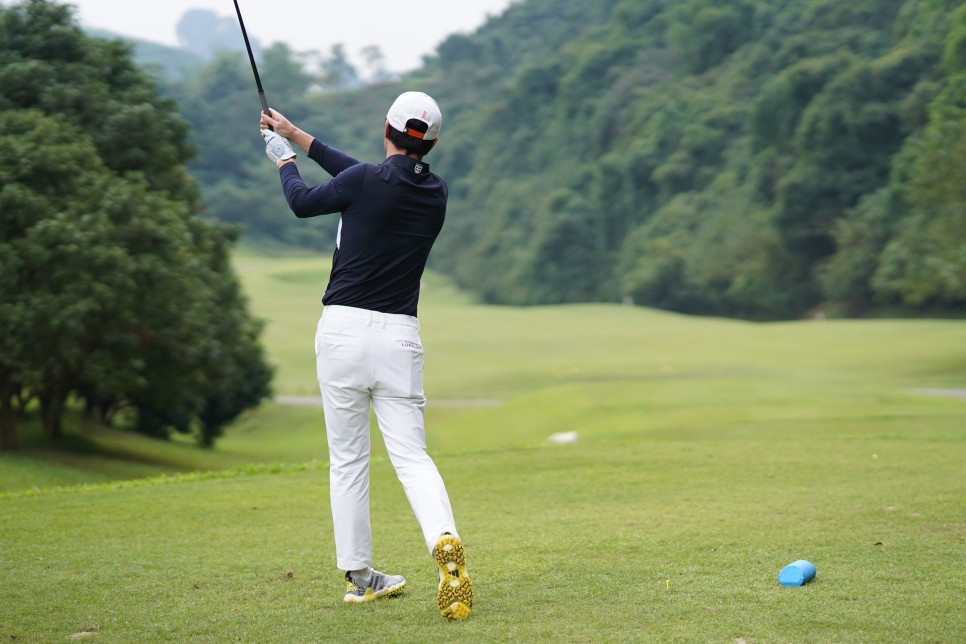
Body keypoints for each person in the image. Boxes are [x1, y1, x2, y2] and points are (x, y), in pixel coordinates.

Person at [258, 92, 472, 620]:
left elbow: (304, 202)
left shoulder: (363, 183)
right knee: (412, 457)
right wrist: (295, 132)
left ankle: (360, 578)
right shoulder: (436, 193)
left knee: (349, 460)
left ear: (387, 128)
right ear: (432, 143)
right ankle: (444, 540)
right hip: (400, 338)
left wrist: (283, 159)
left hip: (343, 334)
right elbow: (366, 175)